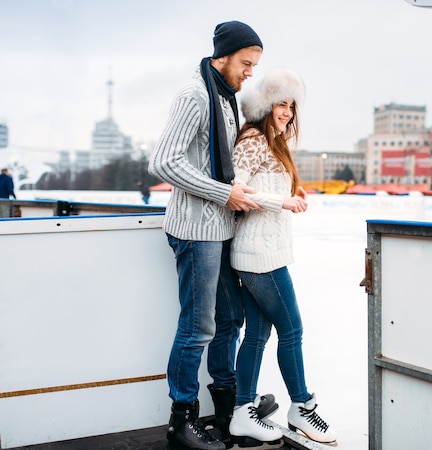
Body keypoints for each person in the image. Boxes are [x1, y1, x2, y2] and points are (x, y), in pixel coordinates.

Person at [148, 21, 276, 450]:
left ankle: (227, 410)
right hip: (196, 230)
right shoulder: (195, 95)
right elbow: (163, 162)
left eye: (255, 64)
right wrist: (225, 193)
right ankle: (180, 421)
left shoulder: (225, 98)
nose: (250, 72)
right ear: (222, 55)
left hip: (219, 229)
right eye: (246, 63)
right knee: (197, 326)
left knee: (229, 320)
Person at [227, 68, 337, 446]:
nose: (287, 112)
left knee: (257, 334)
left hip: (262, 251)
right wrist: (282, 201)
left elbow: (266, 183)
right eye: (281, 103)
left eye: (292, 105)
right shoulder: (255, 138)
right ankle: (301, 407)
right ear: (266, 105)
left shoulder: (274, 142)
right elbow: (236, 190)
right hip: (260, 255)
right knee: (292, 330)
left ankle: (243, 412)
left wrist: (295, 190)